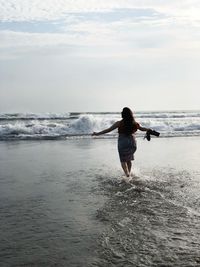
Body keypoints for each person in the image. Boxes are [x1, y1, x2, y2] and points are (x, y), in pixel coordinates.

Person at [92, 107, 151, 178]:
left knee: (123, 160)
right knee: (129, 159)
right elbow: (142, 129)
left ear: (123, 114)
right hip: (132, 143)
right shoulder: (134, 123)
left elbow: (108, 130)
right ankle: (129, 173)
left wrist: (97, 133)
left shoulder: (119, 123)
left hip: (123, 143)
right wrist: (148, 129)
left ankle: (127, 174)